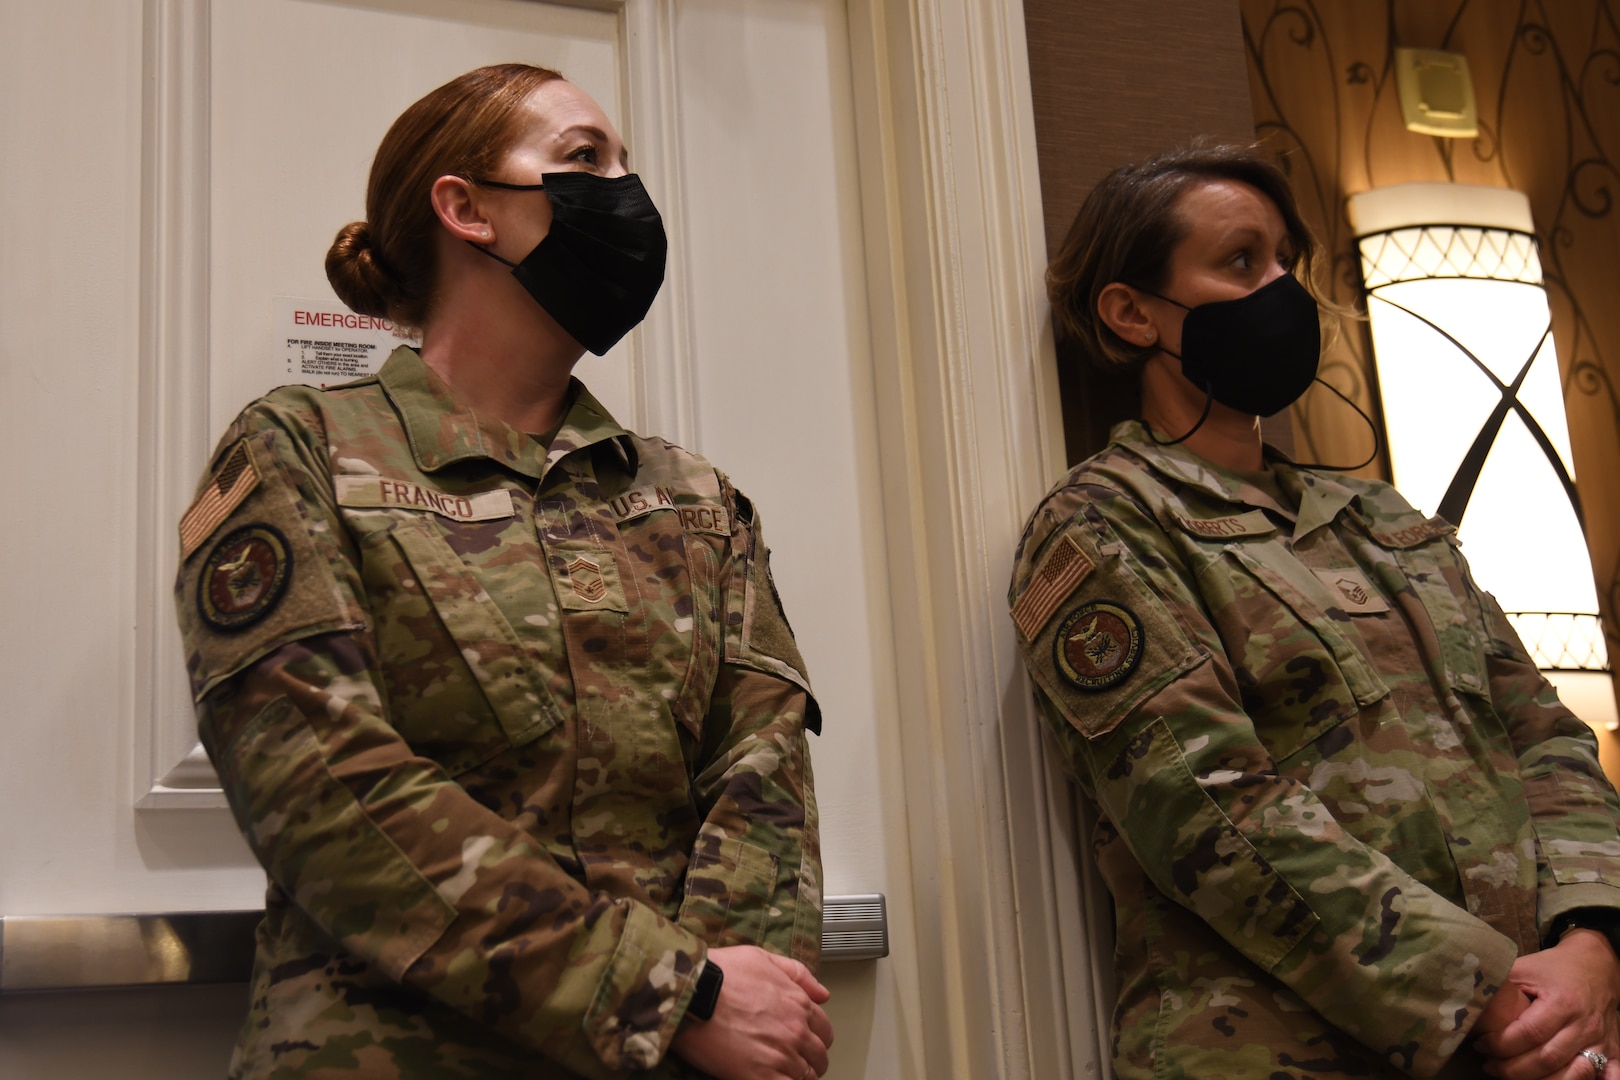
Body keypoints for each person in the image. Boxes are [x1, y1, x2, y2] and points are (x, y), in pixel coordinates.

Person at [174, 63, 831, 1080]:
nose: (626, 194)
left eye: (626, 165)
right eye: (585, 160)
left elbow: (764, 785)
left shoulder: (693, 498)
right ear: (466, 209)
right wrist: (668, 995)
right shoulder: (299, 451)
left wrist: (735, 1020)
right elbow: (324, 794)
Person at [1008, 143, 1620, 1080]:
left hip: (1536, 1036)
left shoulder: (1386, 519)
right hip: (1278, 1050)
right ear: (1132, 313)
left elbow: (1547, 737)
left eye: (1287, 259)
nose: (1284, 290)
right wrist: (1485, 1000)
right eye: (1241, 262)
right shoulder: (1102, 525)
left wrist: (1588, 944)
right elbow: (1208, 807)